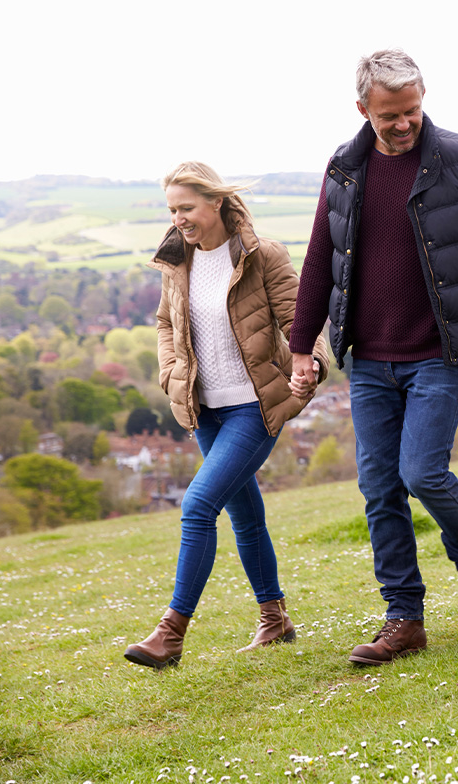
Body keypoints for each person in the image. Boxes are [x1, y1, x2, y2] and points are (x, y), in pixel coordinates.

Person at [288, 48, 458, 666]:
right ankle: (404, 618)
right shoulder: (344, 167)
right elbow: (321, 260)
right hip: (368, 356)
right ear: (363, 108)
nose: (404, 124)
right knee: (378, 487)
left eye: (413, 111)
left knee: (422, 473)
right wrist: (301, 347)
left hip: (440, 350)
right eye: (390, 114)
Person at [124, 162, 330, 670]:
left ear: (216, 203)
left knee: (197, 506)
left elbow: (299, 318)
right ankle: (275, 617)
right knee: (244, 514)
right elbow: (165, 323)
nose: (179, 219)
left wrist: (314, 362)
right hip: (206, 410)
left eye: (187, 208)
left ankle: (171, 633)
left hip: (254, 407)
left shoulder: (263, 256)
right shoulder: (178, 261)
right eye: (173, 210)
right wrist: (171, 372)